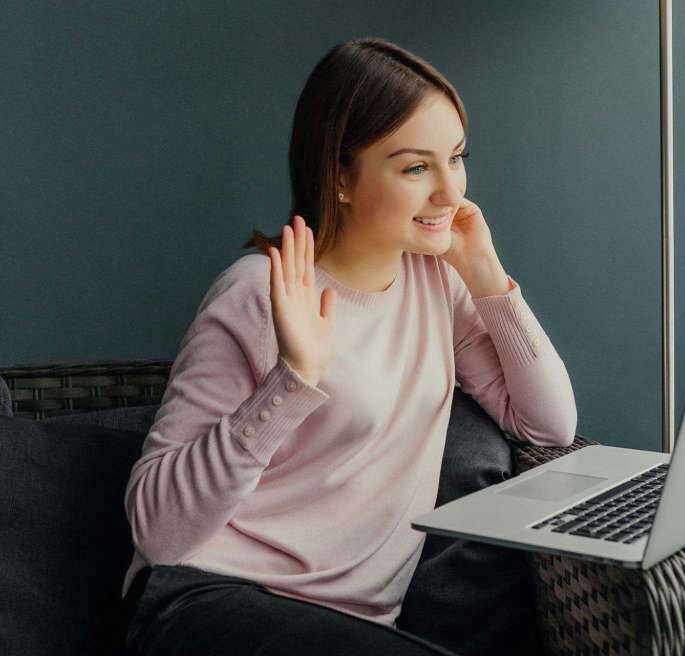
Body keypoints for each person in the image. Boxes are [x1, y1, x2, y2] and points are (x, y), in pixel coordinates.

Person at [121, 36, 578, 655]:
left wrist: (488, 275)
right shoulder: (258, 293)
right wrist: (294, 378)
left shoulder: (436, 280)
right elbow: (158, 533)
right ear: (340, 176)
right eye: (417, 167)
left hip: (351, 626)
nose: (451, 191)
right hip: (208, 603)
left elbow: (547, 425)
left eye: (457, 157)